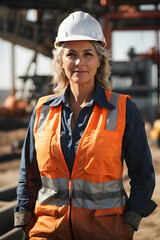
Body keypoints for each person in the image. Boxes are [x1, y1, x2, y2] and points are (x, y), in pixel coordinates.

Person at [14, 11, 156, 240]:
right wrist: (24, 220)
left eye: (88, 54)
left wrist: (130, 223)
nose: (79, 62)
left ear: (100, 60)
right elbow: (28, 174)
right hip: (47, 233)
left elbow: (143, 175)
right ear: (61, 61)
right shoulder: (42, 110)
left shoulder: (123, 109)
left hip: (105, 233)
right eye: (71, 54)